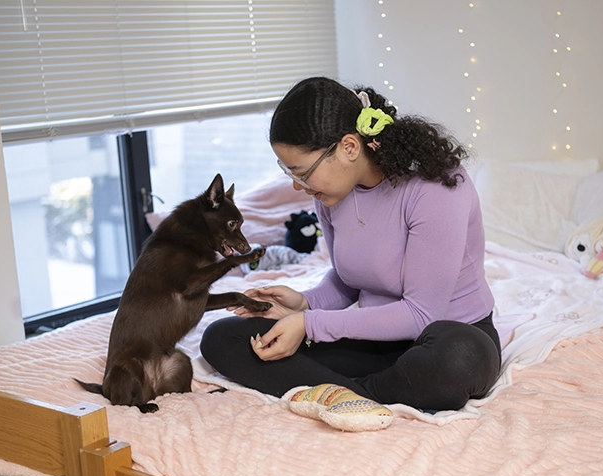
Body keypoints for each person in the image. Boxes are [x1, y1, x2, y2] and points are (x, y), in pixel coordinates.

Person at [200, 76, 500, 412]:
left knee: (457, 358)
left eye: (302, 171)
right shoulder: (330, 194)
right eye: (289, 172)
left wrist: (311, 324)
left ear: (349, 147)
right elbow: (351, 280)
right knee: (224, 337)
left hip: (446, 338)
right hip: (375, 343)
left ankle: (339, 391)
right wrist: (304, 304)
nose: (299, 185)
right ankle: (360, 396)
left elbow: (421, 315)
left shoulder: (437, 188)